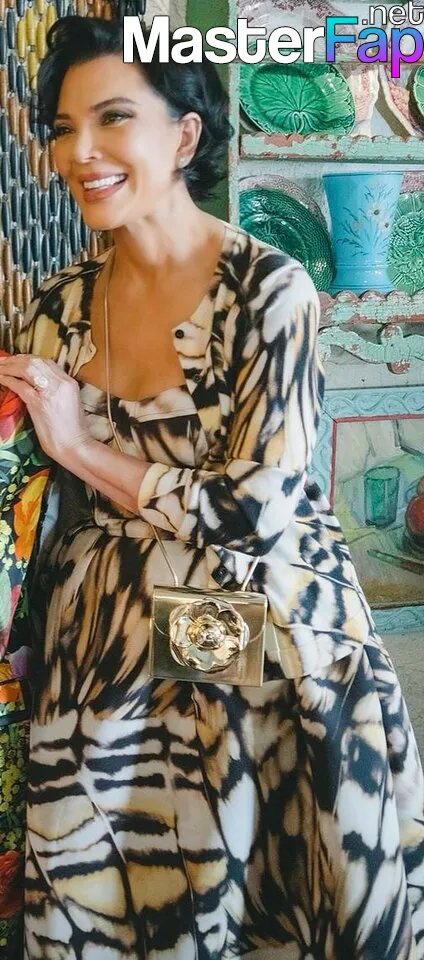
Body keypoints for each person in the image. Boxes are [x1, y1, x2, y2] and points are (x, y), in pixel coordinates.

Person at [0, 13, 423, 960]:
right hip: (98, 637)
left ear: (185, 135)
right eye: (64, 129)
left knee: (238, 877)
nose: (81, 151)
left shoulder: (270, 290)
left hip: (252, 621)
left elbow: (253, 512)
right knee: (103, 896)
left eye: (113, 118)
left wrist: (79, 445)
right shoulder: (55, 306)